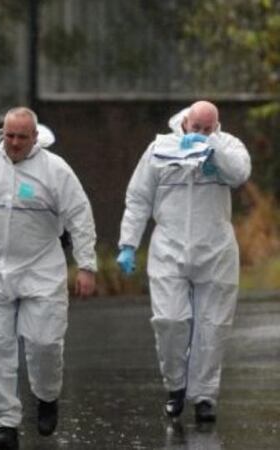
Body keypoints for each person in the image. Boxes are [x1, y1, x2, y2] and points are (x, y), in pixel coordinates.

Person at [0, 107, 97, 449]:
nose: (14, 143)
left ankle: (46, 395)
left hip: (41, 271)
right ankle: (5, 423)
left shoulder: (55, 171)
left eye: (21, 137)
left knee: (44, 342)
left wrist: (86, 266)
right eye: (9, 135)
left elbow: (80, 216)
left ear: (35, 138)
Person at [117, 100, 251, 423]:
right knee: (170, 321)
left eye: (209, 128)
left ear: (216, 126)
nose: (202, 133)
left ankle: (204, 395)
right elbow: (138, 199)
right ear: (185, 122)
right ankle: (175, 384)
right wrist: (128, 244)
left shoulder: (227, 145)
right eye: (197, 128)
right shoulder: (159, 149)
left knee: (212, 326)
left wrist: (212, 150)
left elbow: (240, 172)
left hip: (215, 249)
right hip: (170, 249)